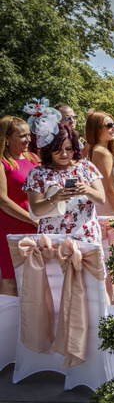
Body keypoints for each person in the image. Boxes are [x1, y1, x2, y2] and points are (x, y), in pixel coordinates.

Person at [24, 115, 106, 244]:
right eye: (57, 150)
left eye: (69, 149)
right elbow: (36, 211)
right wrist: (54, 199)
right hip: (53, 240)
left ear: (75, 148)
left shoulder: (86, 167)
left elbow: (101, 199)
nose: (64, 154)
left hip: (86, 238)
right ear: (49, 150)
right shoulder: (38, 174)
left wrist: (87, 190)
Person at [0, 116, 39, 296]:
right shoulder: (3, 163)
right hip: (11, 226)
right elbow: (2, 200)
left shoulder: (33, 158)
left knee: (34, 277)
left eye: (29, 135)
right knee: (10, 279)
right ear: (7, 137)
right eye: (22, 136)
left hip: (35, 223)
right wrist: (31, 219)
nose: (28, 139)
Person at [85, 110, 114, 216]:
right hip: (112, 210)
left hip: (111, 207)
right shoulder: (102, 153)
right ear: (96, 129)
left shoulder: (96, 150)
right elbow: (109, 190)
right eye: (109, 126)